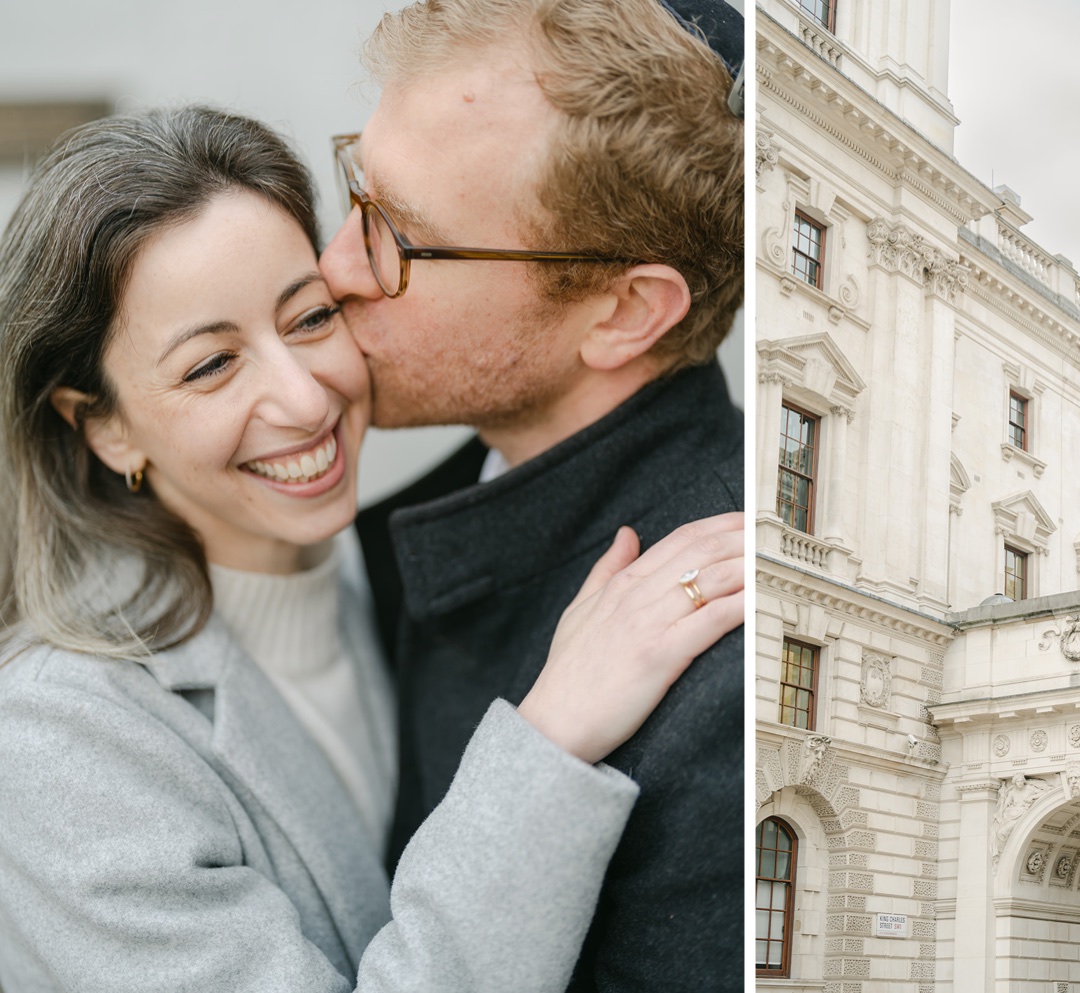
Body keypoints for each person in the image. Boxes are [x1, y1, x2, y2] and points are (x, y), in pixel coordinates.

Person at [0, 105, 744, 992]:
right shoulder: (57, 739)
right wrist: (548, 742)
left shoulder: (379, 569)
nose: (305, 400)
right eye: (211, 365)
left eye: (309, 318)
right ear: (106, 429)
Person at [320, 1, 746, 987]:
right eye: (356, 189)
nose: (334, 266)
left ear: (623, 311)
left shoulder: (716, 675)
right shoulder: (378, 533)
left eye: (398, 236)